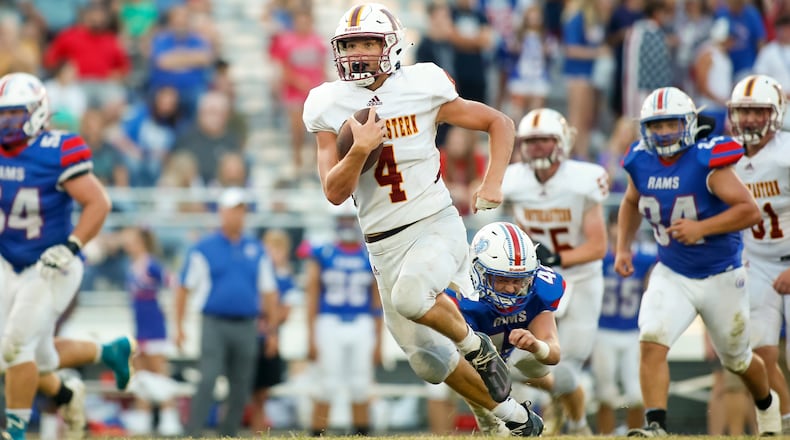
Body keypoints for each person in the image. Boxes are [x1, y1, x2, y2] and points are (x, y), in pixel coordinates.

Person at [302, 2, 542, 435]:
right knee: (430, 363)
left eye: (368, 43)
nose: (357, 52)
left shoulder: (423, 83)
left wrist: (492, 183)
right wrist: (359, 149)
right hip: (382, 244)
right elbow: (334, 192)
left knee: (412, 298)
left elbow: (499, 122)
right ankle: (509, 417)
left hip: (434, 222)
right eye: (350, 44)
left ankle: (478, 347)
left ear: (391, 46)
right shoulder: (326, 102)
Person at [615, 85, 781, 436]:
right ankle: (656, 424)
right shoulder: (639, 160)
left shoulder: (708, 160)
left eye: (671, 124)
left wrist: (701, 226)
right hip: (672, 271)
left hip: (721, 274)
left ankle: (768, 404)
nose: (663, 133)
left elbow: (750, 211)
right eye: (656, 126)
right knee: (651, 337)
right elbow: (631, 201)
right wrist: (622, 248)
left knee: (737, 359)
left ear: (688, 123)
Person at [0, 71, 123, 440]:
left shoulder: (58, 149)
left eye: (14, 114)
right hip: (8, 260)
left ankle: (15, 433)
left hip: (51, 263)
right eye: (1, 114)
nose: (6, 122)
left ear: (38, 112)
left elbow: (98, 202)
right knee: (36, 356)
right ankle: (89, 368)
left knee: (16, 347)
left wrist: (72, 245)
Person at [501, 107, 608, 434]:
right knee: (518, 365)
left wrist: (557, 258)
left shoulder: (581, 180)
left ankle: (576, 425)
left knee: (565, 371)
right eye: (530, 142)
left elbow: (598, 246)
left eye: (544, 141)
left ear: (561, 143)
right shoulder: (514, 180)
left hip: (581, 278)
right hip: (535, 282)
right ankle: (569, 418)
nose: (536, 148)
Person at [174, 187, 280, 438]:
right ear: (221, 213)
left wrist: (273, 331)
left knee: (241, 385)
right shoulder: (204, 248)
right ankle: (193, 432)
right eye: (233, 210)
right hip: (214, 323)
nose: (237, 216)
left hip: (246, 324)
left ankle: (228, 434)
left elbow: (269, 292)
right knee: (208, 379)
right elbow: (183, 288)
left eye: (241, 211)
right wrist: (178, 326)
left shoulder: (256, 249)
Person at [456, 221, 566, 436]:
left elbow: (553, 354)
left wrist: (536, 345)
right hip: (475, 358)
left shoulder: (540, 289)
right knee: (451, 366)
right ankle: (484, 416)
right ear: (478, 270)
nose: (511, 288)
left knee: (541, 369)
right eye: (502, 279)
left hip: (516, 354)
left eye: (519, 280)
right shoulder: (463, 295)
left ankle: (569, 409)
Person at [729, 74, 790, 434]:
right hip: (756, 263)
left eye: (758, 111)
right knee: (760, 353)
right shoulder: (724, 154)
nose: (750, 119)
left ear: (776, 112)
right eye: (744, 111)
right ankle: (785, 424)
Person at [305, 200, 382, 436]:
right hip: (329, 322)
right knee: (326, 385)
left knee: (361, 385)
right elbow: (312, 295)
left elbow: (377, 301)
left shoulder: (369, 254)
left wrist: (380, 340)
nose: (347, 225)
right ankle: (317, 433)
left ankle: (361, 433)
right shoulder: (322, 252)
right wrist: (310, 336)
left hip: (362, 322)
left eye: (351, 220)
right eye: (343, 220)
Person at [591, 210, 654, 434]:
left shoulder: (646, 259)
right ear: (609, 227)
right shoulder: (599, 257)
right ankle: (606, 435)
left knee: (636, 394)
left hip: (632, 332)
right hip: (604, 330)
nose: (621, 230)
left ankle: (633, 433)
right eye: (616, 225)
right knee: (605, 394)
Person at [120, 226, 183, 436]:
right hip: (140, 328)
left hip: (155, 326)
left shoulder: (151, 265)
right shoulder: (132, 266)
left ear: (141, 242)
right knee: (141, 374)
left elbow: (174, 283)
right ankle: (143, 416)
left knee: (159, 373)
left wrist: (168, 308)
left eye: (132, 239)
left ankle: (169, 417)